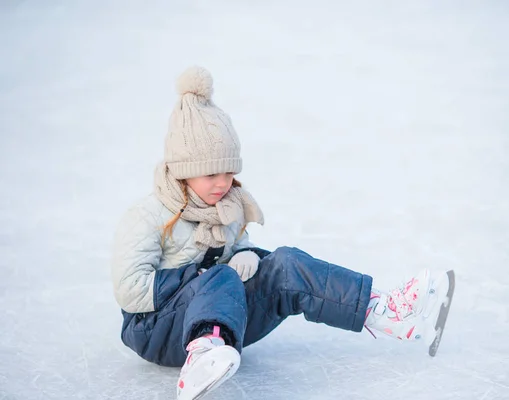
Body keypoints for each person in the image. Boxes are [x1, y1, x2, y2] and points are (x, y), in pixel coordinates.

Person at [111, 66, 449, 400]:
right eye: (210, 173)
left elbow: (235, 252)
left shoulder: (227, 206)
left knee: (285, 263)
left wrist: (246, 255)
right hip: (156, 330)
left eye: (229, 171)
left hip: (227, 316)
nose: (222, 183)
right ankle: (201, 355)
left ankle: (386, 312)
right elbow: (129, 289)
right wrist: (208, 276)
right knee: (220, 277)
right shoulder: (147, 215)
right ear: (184, 171)